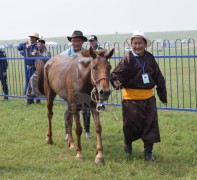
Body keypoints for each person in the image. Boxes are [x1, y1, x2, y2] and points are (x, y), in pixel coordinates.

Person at [110, 30, 167, 162]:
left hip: (148, 99)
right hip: (131, 100)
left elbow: (159, 78)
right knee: (131, 126)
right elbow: (115, 74)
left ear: (145, 44)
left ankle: (148, 153)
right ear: (131, 44)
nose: (137, 46)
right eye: (135, 43)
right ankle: (128, 141)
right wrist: (116, 81)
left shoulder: (150, 58)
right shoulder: (127, 59)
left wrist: (162, 95)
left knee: (150, 125)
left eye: (140, 43)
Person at [61, 30, 91, 140]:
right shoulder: (64, 55)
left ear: (82, 42)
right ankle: (67, 132)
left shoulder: (88, 54)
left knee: (86, 109)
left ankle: (87, 130)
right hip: (70, 88)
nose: (75, 43)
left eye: (78, 41)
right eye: (73, 41)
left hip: (84, 88)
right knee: (68, 109)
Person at [26, 39, 51, 104]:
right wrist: (28, 50)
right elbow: (30, 56)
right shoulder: (37, 51)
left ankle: (38, 97)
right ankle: (30, 98)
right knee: (30, 82)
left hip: (44, 71)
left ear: (43, 45)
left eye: (39, 44)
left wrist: (38, 53)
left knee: (33, 80)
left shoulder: (47, 52)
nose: (38, 45)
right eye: (37, 44)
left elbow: (46, 59)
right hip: (38, 71)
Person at [17, 33, 39, 104]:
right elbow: (19, 47)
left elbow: (33, 55)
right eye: (30, 37)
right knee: (28, 83)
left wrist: (26, 51)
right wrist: (24, 43)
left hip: (34, 67)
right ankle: (30, 99)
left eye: (32, 37)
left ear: (35, 38)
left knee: (34, 83)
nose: (30, 38)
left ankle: (36, 99)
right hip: (28, 68)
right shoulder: (28, 45)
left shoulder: (36, 46)